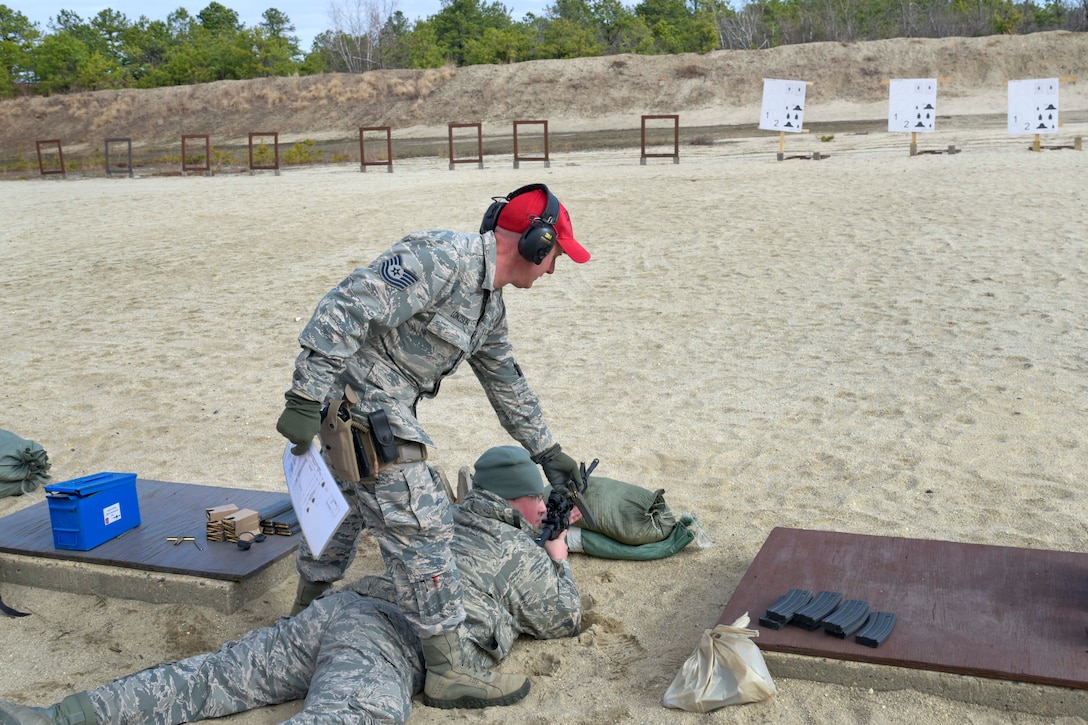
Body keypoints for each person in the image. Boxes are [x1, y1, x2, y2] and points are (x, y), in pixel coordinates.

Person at [274, 184, 591, 707]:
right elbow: (346, 305)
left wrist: (547, 452)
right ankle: (448, 669)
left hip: (384, 405)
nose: (555, 267)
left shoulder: (489, 306)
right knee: (422, 514)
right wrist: (305, 396)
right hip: (358, 399)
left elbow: (506, 381)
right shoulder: (440, 257)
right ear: (535, 243)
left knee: (341, 511)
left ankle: (303, 612)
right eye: (556, 254)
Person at [0, 446, 580, 724]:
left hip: (338, 611)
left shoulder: (435, 515)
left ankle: (55, 718)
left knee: (210, 677)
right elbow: (563, 617)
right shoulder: (515, 552)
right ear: (519, 501)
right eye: (539, 500)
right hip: (387, 640)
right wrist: (555, 548)